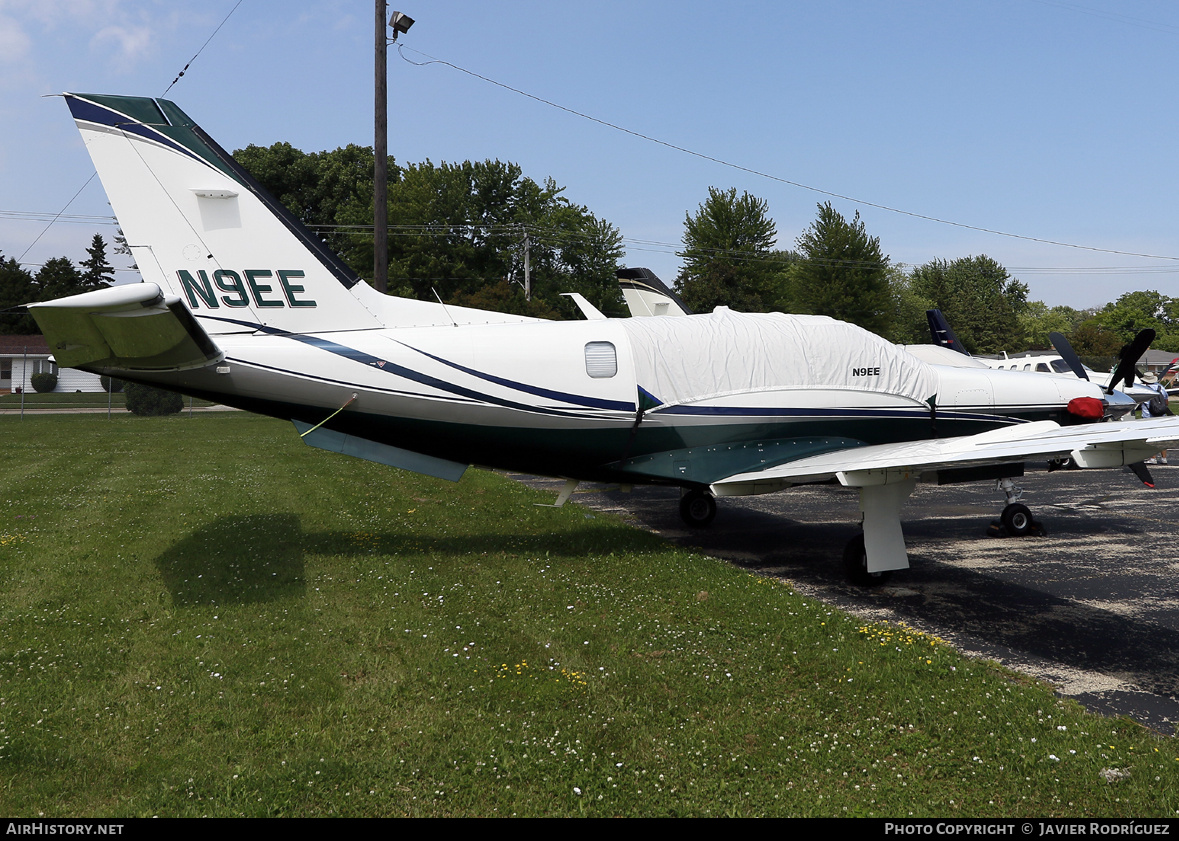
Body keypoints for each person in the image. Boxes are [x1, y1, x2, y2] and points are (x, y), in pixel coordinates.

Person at [1141, 371, 1170, 464]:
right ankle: (1164, 458)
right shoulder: (1160, 387)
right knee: (1162, 437)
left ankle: (1153, 458)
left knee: (1150, 438)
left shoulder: (1143, 389)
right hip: (1161, 415)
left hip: (1148, 416)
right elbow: (1166, 402)